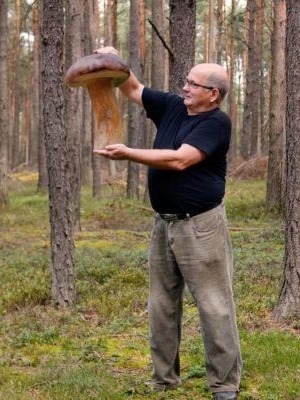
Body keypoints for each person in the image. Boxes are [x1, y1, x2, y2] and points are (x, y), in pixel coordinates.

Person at [93, 46, 242, 400]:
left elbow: (179, 160)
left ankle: (224, 385)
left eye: (192, 83)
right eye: (185, 81)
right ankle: (164, 380)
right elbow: (131, 89)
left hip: (201, 227)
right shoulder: (174, 106)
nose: (184, 87)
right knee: (161, 304)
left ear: (213, 94)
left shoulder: (215, 123)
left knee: (214, 304)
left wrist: (128, 153)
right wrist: (116, 59)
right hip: (164, 225)